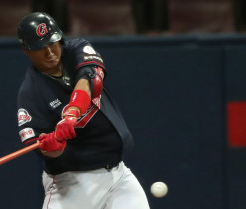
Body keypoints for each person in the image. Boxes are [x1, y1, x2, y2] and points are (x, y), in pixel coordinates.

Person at [16, 12, 150, 209]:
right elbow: (42, 149)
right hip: (72, 184)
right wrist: (53, 146)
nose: (50, 52)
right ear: (26, 50)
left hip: (118, 175)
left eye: (53, 43)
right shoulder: (30, 93)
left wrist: (71, 114)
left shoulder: (76, 48)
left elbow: (90, 80)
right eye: (40, 48)